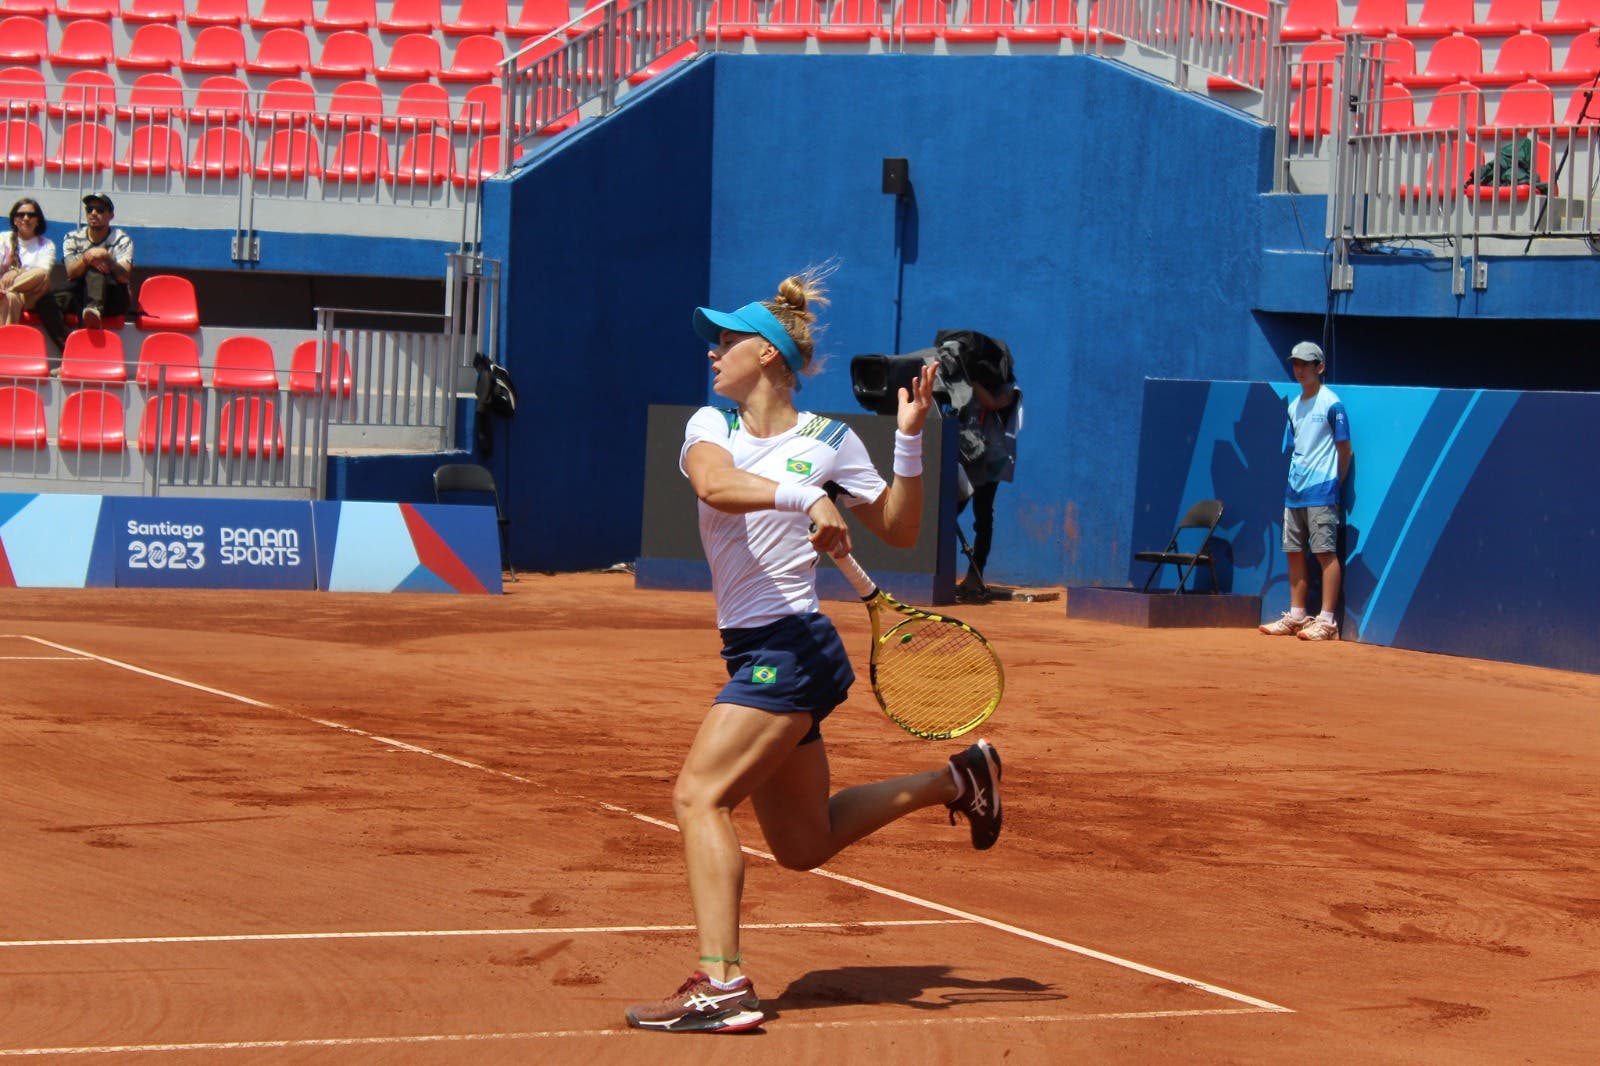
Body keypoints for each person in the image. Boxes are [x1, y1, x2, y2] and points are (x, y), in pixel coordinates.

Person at [624, 273, 1004, 1035]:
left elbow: (897, 529)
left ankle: (722, 982)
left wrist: (907, 438)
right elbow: (716, 487)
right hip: (754, 649)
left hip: (793, 646)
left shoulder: (830, 442)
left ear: (764, 352)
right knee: (803, 843)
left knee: (699, 797)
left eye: (725, 342)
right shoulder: (712, 426)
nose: (713, 354)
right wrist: (805, 498)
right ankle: (955, 779)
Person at [1259, 341, 1353, 642]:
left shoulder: (1331, 403)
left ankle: (1327, 621)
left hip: (1322, 491)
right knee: (1294, 554)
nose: (1299, 369)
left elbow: (1345, 450)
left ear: (1319, 367)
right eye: (1295, 364)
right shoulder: (1293, 407)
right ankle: (1298, 615)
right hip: (1294, 492)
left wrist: (1333, 484)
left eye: (1305, 364)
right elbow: (1298, 449)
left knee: (1326, 554)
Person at [955, 374, 1022, 600]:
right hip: (965, 460)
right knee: (949, 513)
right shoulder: (961, 387)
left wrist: (974, 382)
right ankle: (938, 573)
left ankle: (975, 575)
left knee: (982, 516)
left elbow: (993, 403)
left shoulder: (1010, 389)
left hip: (991, 462)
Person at [61, 192, 134, 330]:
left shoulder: (121, 240)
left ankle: (93, 310)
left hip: (113, 296)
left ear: (111, 215)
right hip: (81, 293)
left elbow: (124, 277)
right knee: (48, 302)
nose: (93, 213)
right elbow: (71, 273)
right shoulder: (72, 238)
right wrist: (86, 258)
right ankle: (65, 345)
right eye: (89, 209)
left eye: (100, 210)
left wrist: (106, 257)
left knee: (96, 267)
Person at [0, 198, 56, 327]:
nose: (26, 218)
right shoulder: (3, 239)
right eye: (21, 215)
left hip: (30, 295)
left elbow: (43, 274)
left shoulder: (46, 245)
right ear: (14, 220)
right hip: (9, 296)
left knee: (40, 273)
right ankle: (5, 344)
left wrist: (16, 272)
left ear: (37, 220)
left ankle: (4, 290)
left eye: (31, 215)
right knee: (10, 297)